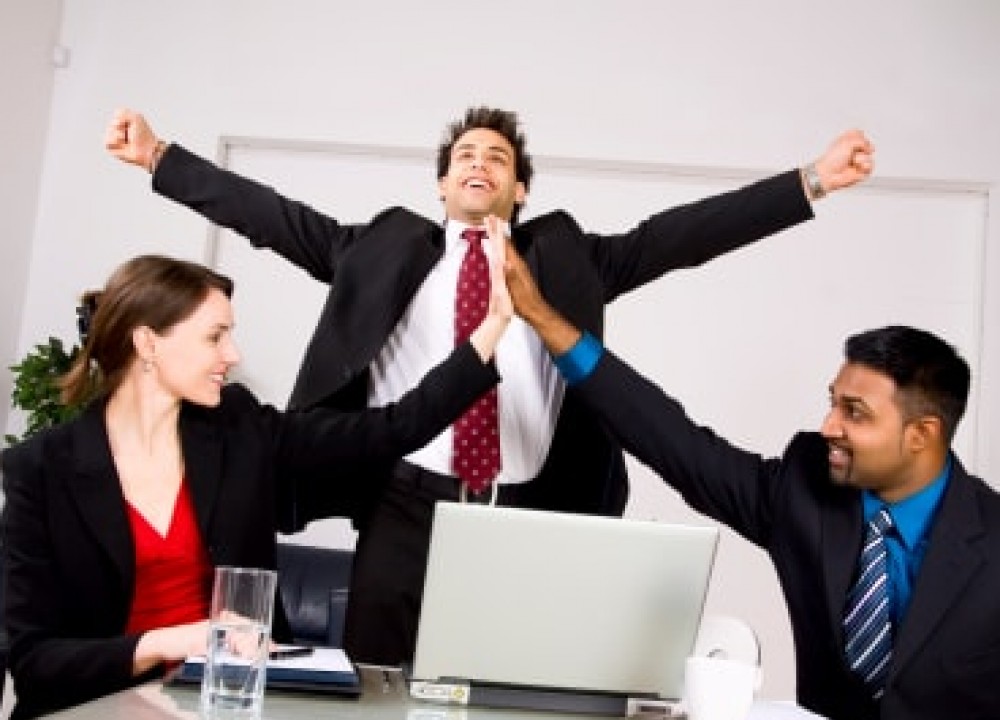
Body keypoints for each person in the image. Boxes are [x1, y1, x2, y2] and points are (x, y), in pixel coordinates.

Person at [105, 106, 874, 665]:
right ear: (443, 184)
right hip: (405, 499)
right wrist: (160, 157)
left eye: (499, 158)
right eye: (466, 155)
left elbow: (684, 235)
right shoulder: (378, 248)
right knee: (374, 675)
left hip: (531, 507)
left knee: (514, 680)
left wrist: (810, 181)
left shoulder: (568, 258)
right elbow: (271, 216)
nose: (480, 163)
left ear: (521, 189)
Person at [500, 229, 1000, 720]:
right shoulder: (805, 490)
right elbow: (677, 445)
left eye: (854, 413)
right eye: (832, 403)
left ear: (922, 434)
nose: (828, 426)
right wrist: (544, 320)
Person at [0, 252, 512, 720]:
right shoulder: (39, 471)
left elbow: (386, 431)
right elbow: (32, 659)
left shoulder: (238, 425)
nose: (232, 353)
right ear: (147, 343)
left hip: (224, 717)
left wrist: (490, 331)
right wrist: (176, 641)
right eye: (214, 336)